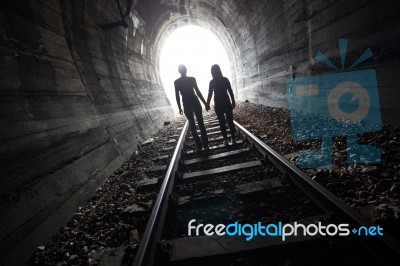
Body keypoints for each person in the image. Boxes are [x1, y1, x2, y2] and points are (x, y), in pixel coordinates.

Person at [175, 64, 209, 150]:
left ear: (179, 71)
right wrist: (205, 103)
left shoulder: (177, 82)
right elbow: (198, 92)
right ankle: (206, 145)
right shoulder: (192, 79)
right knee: (201, 124)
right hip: (195, 102)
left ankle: (199, 146)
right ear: (186, 70)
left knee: (192, 126)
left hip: (186, 104)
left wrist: (179, 107)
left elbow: (177, 96)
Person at [206, 64, 236, 146]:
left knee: (222, 122)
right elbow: (230, 91)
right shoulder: (225, 79)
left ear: (212, 72)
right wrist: (233, 101)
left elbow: (210, 94)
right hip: (226, 101)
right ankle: (233, 139)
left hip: (218, 103)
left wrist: (207, 104)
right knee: (230, 121)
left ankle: (226, 141)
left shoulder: (212, 82)